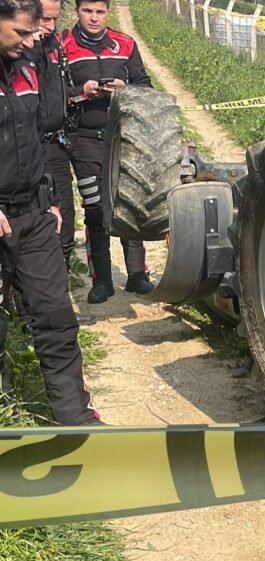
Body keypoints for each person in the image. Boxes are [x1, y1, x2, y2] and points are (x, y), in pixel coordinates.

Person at [0, 0, 99, 425]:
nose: (34, 37)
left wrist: (53, 197)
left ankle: (74, 422)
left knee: (57, 319)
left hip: (34, 214)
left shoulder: (26, 67)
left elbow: (40, 138)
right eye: (22, 31)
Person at [62, 0, 154, 304]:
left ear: (108, 13)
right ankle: (100, 281)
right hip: (84, 138)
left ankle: (138, 274)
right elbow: (53, 96)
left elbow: (146, 87)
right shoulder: (62, 45)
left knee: (130, 203)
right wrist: (81, 92)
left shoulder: (125, 44)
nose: (93, 18)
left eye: (100, 12)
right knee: (95, 207)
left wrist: (124, 88)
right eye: (87, 11)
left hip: (123, 135)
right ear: (77, 11)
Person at [32, 0, 94, 326]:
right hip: (30, 149)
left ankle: (58, 302)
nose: (50, 26)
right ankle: (37, 309)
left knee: (65, 226)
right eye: (44, 19)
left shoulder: (54, 44)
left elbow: (58, 91)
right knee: (38, 230)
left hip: (56, 145)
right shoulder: (20, 54)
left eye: (55, 19)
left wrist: (78, 92)